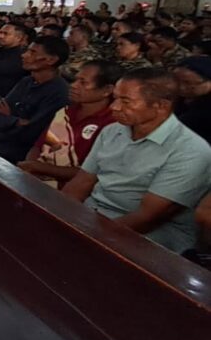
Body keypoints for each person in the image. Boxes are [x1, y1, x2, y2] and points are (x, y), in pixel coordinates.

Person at [61, 69, 211, 253]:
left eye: (125, 101)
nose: (114, 107)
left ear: (161, 106)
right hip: (94, 215)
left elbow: (148, 218)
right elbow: (81, 182)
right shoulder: (112, 131)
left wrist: (86, 237)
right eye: (115, 98)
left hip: (147, 235)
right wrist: (62, 216)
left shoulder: (190, 151)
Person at [0, 36, 71, 163]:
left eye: (32, 52)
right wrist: (17, 121)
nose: (24, 55)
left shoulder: (59, 92)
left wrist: (10, 118)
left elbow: (33, 133)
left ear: (51, 60)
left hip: (20, 154)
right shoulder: (26, 82)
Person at [19, 60, 119, 187]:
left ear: (107, 90)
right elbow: (38, 146)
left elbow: (89, 174)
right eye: (75, 80)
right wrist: (30, 166)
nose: (73, 85)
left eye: (83, 82)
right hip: (35, 178)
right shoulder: (65, 112)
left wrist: (38, 167)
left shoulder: (112, 124)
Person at [173, 56, 211, 145]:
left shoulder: (206, 111)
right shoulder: (178, 97)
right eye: (176, 81)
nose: (181, 87)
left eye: (188, 83)